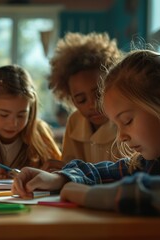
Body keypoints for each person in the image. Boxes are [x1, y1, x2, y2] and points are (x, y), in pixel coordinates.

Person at [12, 49, 160, 218]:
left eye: (127, 121)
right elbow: (108, 171)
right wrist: (59, 178)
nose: (121, 136)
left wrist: (92, 196)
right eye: (117, 124)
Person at [48, 32, 123, 164]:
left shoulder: (125, 121)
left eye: (99, 94)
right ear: (70, 99)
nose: (92, 105)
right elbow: (69, 167)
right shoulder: (75, 122)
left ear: (113, 83)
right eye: (81, 100)